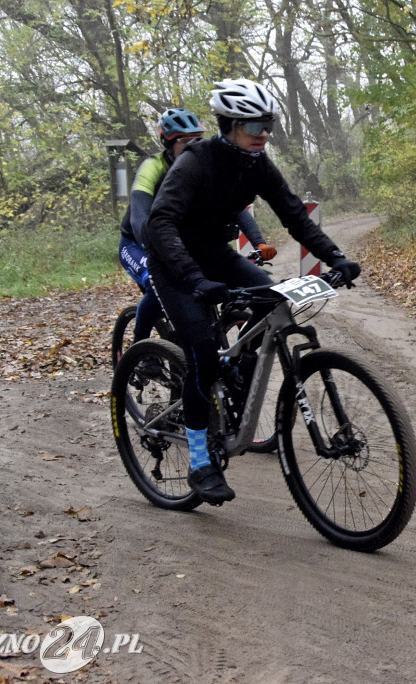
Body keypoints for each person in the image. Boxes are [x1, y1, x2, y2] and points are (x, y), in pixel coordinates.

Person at [143, 78, 361, 505]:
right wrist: (195, 280)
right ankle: (201, 462)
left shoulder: (257, 163)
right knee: (204, 356)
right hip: (175, 264)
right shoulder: (194, 163)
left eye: (269, 125)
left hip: (217, 255)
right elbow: (160, 223)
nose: (264, 134)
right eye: (255, 125)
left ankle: (236, 382)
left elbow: (295, 216)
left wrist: (335, 256)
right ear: (229, 125)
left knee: (275, 303)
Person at [118, 107, 277, 343]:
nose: (193, 146)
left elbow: (234, 209)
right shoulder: (153, 167)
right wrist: (161, 252)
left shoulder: (203, 166)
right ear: (168, 144)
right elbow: (140, 217)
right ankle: (139, 346)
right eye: (184, 141)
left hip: (178, 240)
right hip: (137, 242)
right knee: (155, 281)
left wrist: (259, 241)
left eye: (197, 140)